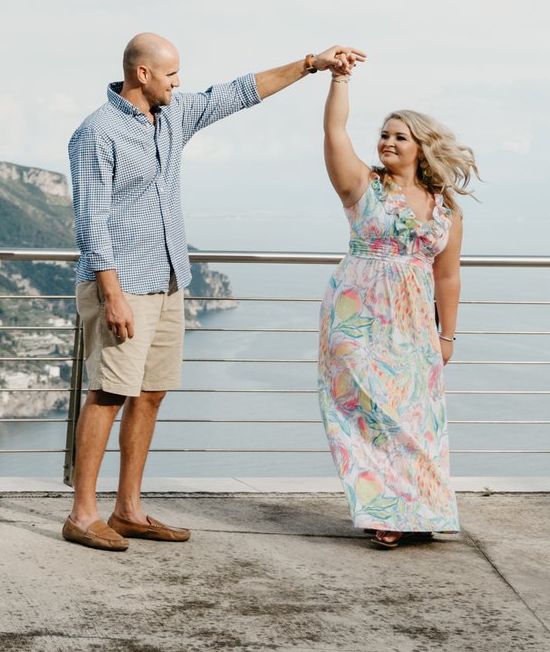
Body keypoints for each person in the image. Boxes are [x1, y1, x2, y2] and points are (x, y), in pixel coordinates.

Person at [62, 33, 365, 551]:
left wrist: (313, 64)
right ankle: (83, 515)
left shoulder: (173, 117)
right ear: (142, 75)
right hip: (123, 284)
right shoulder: (96, 133)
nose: (179, 84)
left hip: (168, 277)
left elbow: (240, 92)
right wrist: (111, 294)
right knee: (109, 392)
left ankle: (128, 509)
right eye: (172, 75)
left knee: (151, 394)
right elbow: (91, 222)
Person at [317, 62, 477, 547]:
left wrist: (446, 335)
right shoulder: (362, 185)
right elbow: (334, 128)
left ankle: (421, 508)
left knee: (417, 420)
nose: (387, 142)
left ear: (422, 146)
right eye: (384, 134)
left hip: (413, 327)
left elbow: (447, 275)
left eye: (399, 137)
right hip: (357, 319)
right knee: (371, 414)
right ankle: (385, 512)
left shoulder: (445, 207)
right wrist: (339, 79)